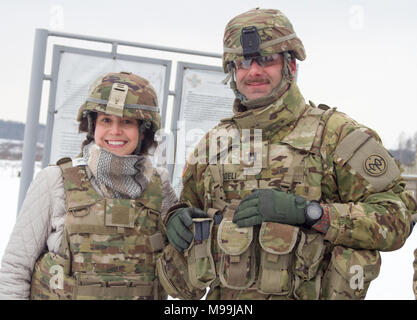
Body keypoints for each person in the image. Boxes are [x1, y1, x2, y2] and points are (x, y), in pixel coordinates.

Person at [164, 8, 417, 300]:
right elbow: (189, 207)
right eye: (244, 61)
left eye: (267, 59)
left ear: (290, 65)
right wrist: (175, 217)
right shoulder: (213, 144)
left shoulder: (337, 135)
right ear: (232, 72)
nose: (254, 71)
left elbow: (397, 216)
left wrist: (311, 213)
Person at [0, 72, 186, 300]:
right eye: (106, 120)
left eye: (127, 122)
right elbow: (15, 269)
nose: (115, 131)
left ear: (144, 130)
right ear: (92, 125)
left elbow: (183, 270)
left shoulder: (160, 187)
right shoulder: (55, 180)